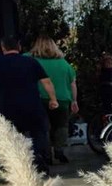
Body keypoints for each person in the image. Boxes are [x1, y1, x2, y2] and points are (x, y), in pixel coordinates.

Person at [0, 35, 58, 171]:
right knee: (38, 131)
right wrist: (53, 99)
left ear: (2, 47)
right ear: (19, 47)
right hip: (32, 105)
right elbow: (46, 82)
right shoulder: (31, 62)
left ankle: (16, 164)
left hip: (7, 106)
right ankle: (38, 156)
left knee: (11, 134)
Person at [29, 36, 77, 164]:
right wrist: (74, 100)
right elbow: (72, 83)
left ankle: (47, 154)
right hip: (62, 99)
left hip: (40, 99)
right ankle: (59, 150)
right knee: (61, 126)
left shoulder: (31, 60)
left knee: (44, 128)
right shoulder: (64, 63)